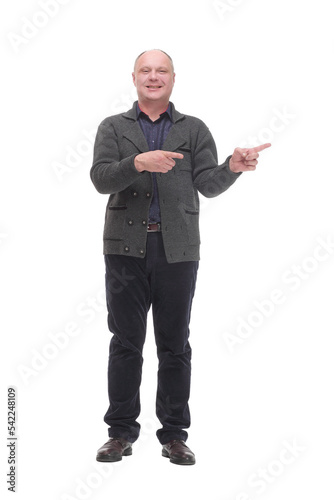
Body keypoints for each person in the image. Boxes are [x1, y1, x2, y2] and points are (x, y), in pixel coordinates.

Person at [91, 49, 271, 466]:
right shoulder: (113, 127)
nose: (154, 77)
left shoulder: (193, 129)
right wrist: (138, 161)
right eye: (146, 71)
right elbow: (101, 179)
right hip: (124, 249)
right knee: (125, 343)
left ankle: (173, 434)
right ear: (134, 77)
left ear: (173, 78)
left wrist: (233, 166)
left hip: (179, 250)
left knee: (174, 345)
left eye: (162, 71)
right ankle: (120, 432)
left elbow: (207, 184)